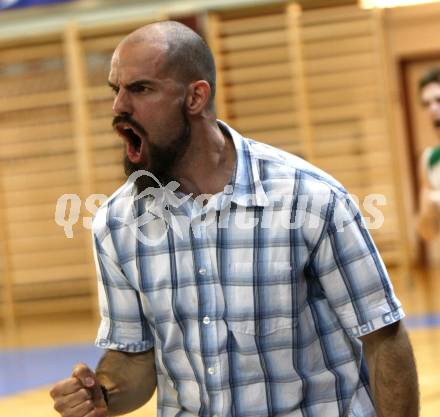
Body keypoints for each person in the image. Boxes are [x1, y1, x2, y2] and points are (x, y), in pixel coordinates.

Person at [50, 21, 419, 417]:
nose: (119, 106)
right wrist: (100, 394)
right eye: (116, 89)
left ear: (195, 97)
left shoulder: (310, 198)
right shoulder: (116, 223)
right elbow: (135, 359)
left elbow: (384, 338)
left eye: (140, 89)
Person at [417, 68, 440, 240]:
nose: (433, 109)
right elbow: (427, 233)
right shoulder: (429, 159)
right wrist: (428, 211)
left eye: (438, 100)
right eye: (426, 104)